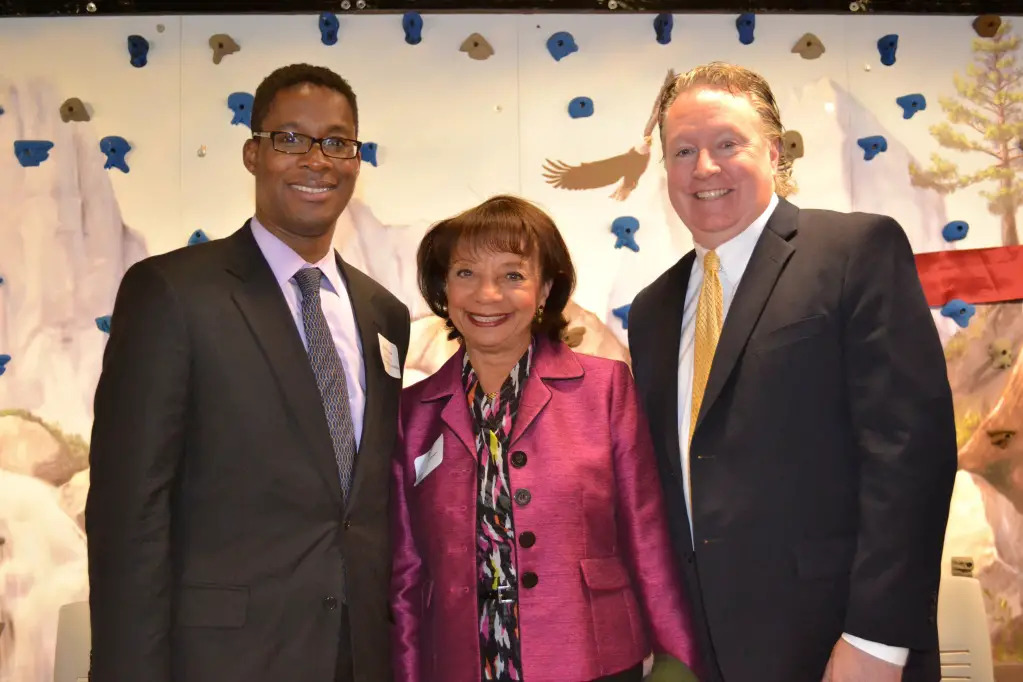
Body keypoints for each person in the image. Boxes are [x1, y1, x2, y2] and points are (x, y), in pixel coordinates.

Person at [627, 61, 958, 682]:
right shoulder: (653, 309)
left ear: (773, 151)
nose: (704, 168)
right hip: (705, 651)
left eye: (727, 144)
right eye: (682, 151)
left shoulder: (854, 252)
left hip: (839, 643)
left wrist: (878, 641)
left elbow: (911, 455)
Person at [86, 63, 410, 682]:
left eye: (336, 142)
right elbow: (130, 510)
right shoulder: (172, 293)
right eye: (290, 138)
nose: (315, 159)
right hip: (224, 659)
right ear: (252, 153)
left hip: (360, 654)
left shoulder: (383, 314)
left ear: (356, 161)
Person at [390, 195, 700, 682]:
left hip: (591, 658)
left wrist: (678, 657)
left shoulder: (605, 388)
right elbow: (407, 572)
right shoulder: (414, 412)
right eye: (466, 273)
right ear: (442, 289)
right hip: (459, 663)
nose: (487, 295)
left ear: (545, 290)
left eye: (513, 275)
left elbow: (646, 533)